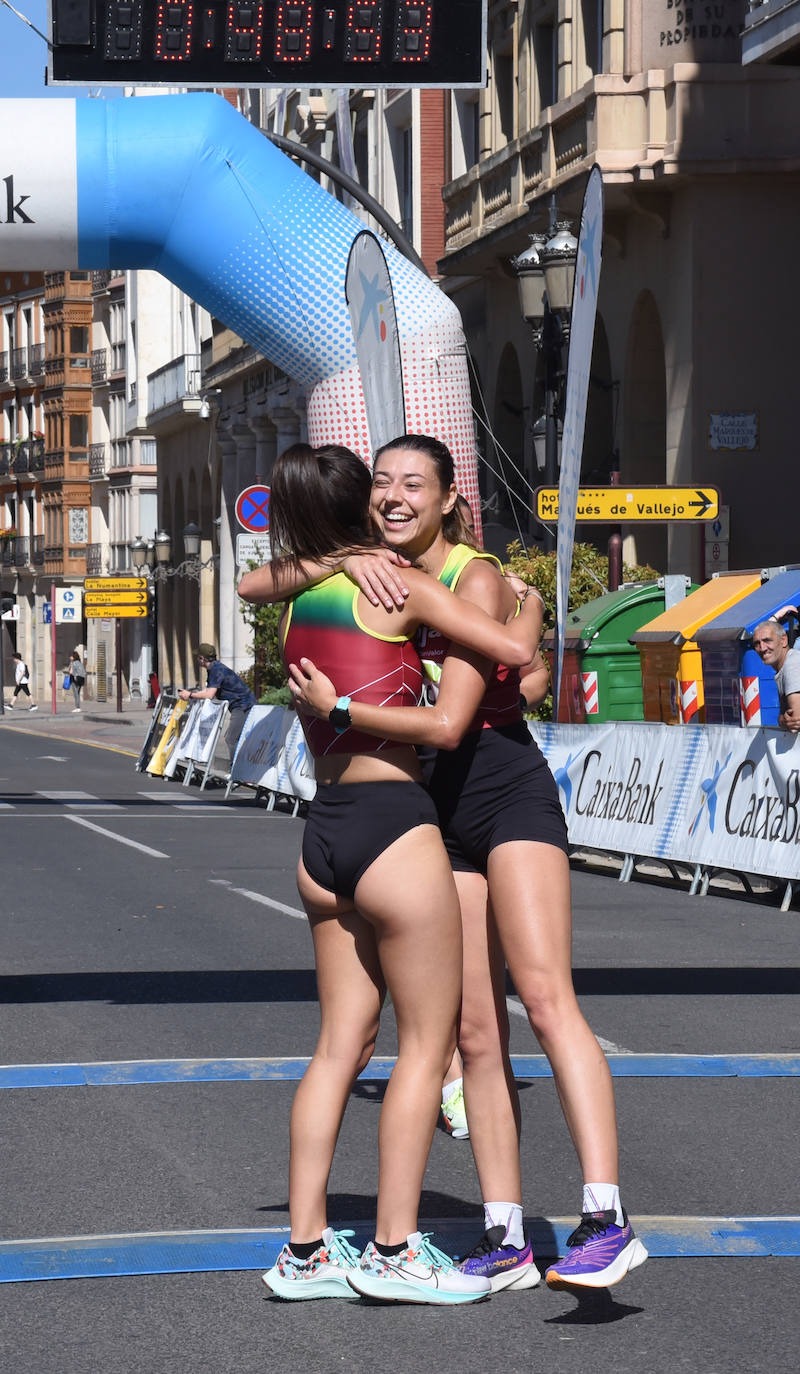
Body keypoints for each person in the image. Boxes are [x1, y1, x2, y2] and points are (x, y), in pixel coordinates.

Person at [285, 434, 647, 1295]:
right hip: (429, 815)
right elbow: (266, 579)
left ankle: (606, 1218)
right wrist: (348, 556)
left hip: (501, 790)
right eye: (382, 484)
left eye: (415, 484)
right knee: (474, 1033)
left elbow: (489, 696)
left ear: (451, 498)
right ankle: (506, 1232)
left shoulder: (470, 575)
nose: (395, 497)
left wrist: (346, 711)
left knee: (547, 994)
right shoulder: (371, 573)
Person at [238, 442, 541, 1305]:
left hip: (321, 835)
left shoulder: (297, 597)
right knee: (424, 1049)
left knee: (339, 1047)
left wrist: (332, 552)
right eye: (380, 491)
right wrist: (529, 606)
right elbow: (506, 656)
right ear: (362, 510)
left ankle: (303, 1253)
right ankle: (395, 1250)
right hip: (392, 830)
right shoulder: (399, 588)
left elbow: (250, 583)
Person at [177, 644, 256, 759]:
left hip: (243, 705)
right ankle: (240, 767)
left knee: (231, 738)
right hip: (241, 704)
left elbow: (209, 694)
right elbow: (210, 690)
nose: (197, 660)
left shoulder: (216, 669)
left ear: (202, 659)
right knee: (234, 737)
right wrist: (194, 694)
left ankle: (235, 770)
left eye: (198, 657)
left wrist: (190, 695)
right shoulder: (214, 668)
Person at [753, 615, 800, 732]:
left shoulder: (793, 664)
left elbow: (795, 721)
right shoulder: (785, 665)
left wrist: (783, 720)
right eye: (757, 643)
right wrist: (782, 719)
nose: (762, 648)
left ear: (783, 640)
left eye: (767, 641)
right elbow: (786, 719)